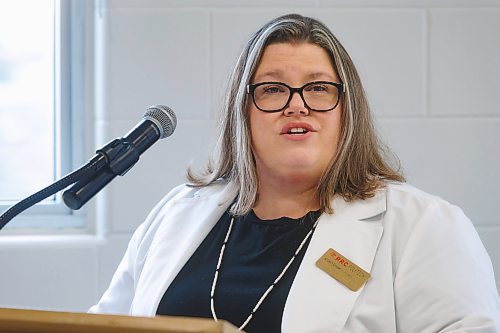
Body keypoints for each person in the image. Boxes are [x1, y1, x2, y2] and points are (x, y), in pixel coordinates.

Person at [89, 14, 500, 332]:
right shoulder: (176, 213)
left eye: (319, 88)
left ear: (347, 112)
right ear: (242, 114)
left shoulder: (423, 226)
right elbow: (103, 324)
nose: (296, 105)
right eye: (272, 89)